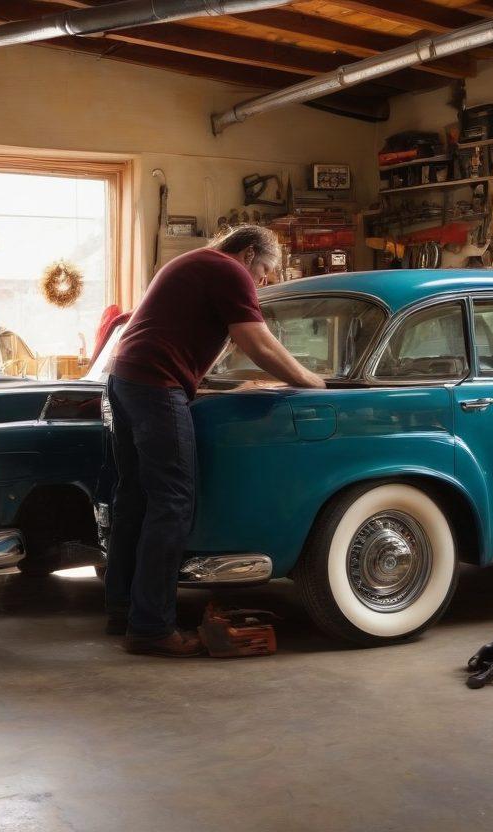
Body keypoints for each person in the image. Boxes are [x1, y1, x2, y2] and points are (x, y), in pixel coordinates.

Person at [105, 225, 326, 657]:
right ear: (247, 254)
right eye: (264, 272)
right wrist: (309, 381)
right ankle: (151, 628)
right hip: (156, 384)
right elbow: (256, 342)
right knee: (172, 503)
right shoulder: (227, 269)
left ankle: (124, 609)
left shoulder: (193, 263)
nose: (262, 283)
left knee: (135, 498)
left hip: (126, 380)